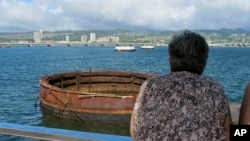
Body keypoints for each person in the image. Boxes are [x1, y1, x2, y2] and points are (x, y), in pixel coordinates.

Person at [130, 30, 232, 141]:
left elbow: (134, 129)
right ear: (204, 62)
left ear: (170, 61)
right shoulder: (214, 89)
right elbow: (229, 134)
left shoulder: (150, 86)